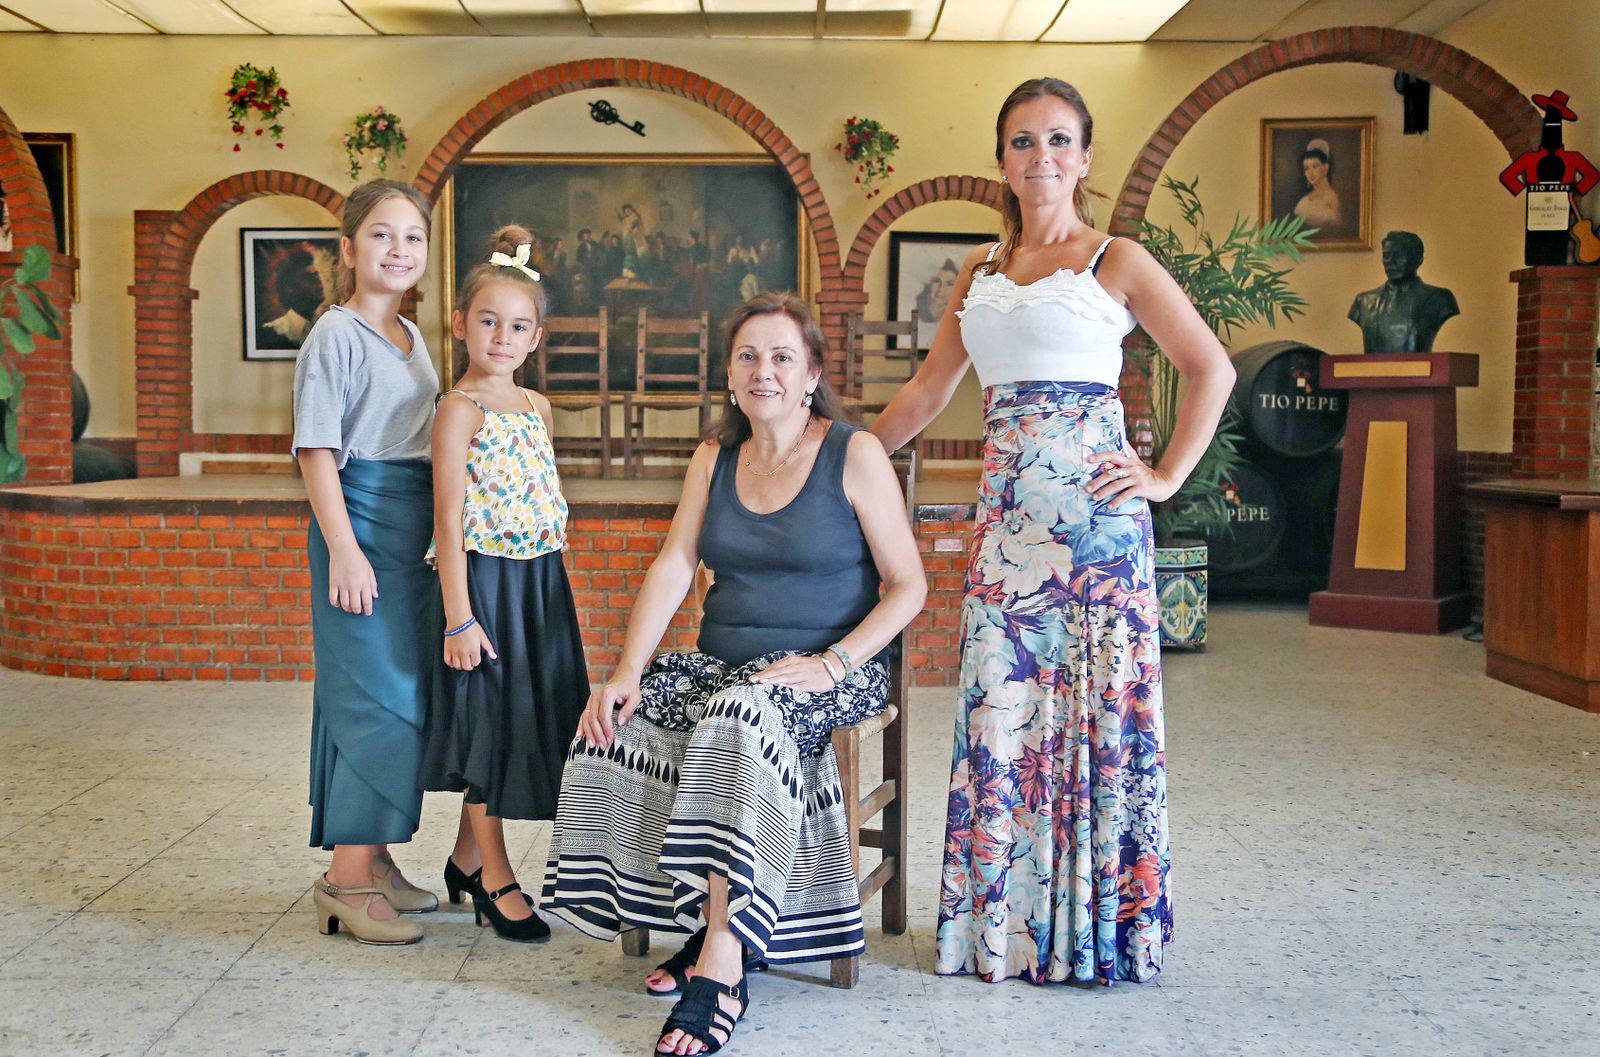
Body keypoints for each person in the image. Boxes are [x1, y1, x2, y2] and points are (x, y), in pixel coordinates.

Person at [870, 78, 1235, 985]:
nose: (1042, 157)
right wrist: (839, 458)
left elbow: (1210, 367)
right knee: (1003, 716)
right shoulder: (980, 271)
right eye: (1024, 140)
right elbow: (925, 394)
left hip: (1100, 536)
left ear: (1085, 156)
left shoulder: (1117, 256)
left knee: (1098, 723)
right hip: (1007, 536)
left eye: (1059, 140)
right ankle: (1003, 930)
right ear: (1003, 157)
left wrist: (1165, 477)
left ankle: (1098, 930)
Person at [543, 292, 926, 1054]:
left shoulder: (855, 454)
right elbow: (676, 563)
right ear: (728, 376)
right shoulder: (714, 457)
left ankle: (721, 961)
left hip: (831, 666)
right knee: (620, 718)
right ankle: (705, 916)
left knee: (736, 716)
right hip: (727, 662)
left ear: (812, 372)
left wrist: (833, 662)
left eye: (783, 356)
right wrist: (625, 668)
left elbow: (909, 585)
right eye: (748, 356)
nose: (765, 371)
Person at [420, 225, 590, 944]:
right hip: (484, 587)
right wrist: (459, 617)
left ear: (536, 337)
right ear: (461, 324)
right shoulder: (460, 409)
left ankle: (463, 858)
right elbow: (449, 520)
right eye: (488, 320)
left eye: (517, 325)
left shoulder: (537, 408)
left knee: (523, 721)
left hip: (539, 588)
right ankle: (494, 875)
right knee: (489, 730)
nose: (501, 335)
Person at [292, 179, 443, 945]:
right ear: (349, 249)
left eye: (412, 238)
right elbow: (317, 449)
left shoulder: (414, 339)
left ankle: (375, 856)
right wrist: (345, 552)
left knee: (404, 692)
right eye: (382, 236)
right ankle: (346, 882)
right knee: (376, 698)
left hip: (410, 535)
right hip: (360, 526)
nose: (398, 251)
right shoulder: (336, 334)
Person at [1346, 230, 1460, 352]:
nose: (1391, 262)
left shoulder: (1439, 299)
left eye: (1399, 256)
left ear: (1419, 259)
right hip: (1370, 370)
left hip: (1419, 370)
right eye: (1386, 255)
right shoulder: (1364, 301)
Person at [1292, 137, 1342, 230]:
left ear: (1326, 168)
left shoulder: (1332, 198)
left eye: (1315, 166)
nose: (1310, 173)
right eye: (1306, 168)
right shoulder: (1303, 201)